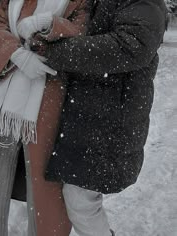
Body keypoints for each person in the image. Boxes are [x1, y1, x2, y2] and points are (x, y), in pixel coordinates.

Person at [0, 0, 92, 236]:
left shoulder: (79, 1)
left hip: (50, 102)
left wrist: (49, 26)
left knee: (44, 185)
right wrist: (15, 54)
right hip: (1, 98)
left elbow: (82, 31)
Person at [29, 0, 166, 235]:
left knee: (80, 199)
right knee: (77, 193)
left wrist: (56, 52)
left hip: (113, 118)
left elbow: (130, 46)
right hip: (91, 113)